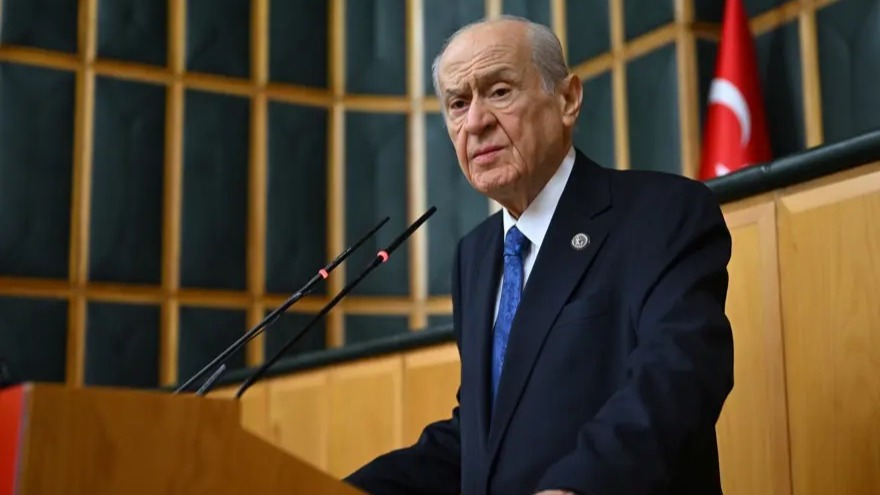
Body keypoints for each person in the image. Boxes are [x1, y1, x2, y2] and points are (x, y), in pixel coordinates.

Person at [344, 15, 734, 495]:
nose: (476, 122)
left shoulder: (660, 214)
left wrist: (578, 487)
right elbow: (482, 441)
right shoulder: (476, 257)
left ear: (567, 100)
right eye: (458, 103)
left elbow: (678, 378)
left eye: (499, 91)